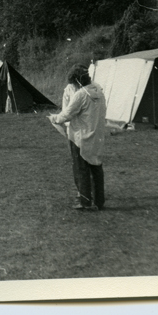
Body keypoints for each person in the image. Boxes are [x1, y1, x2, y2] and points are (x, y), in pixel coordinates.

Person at [48, 65, 107, 211]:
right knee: (96, 167)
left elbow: (67, 114)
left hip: (80, 137)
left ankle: (85, 201)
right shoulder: (98, 90)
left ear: (77, 82)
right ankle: (99, 201)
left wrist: (54, 118)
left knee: (81, 169)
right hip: (96, 135)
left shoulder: (81, 94)